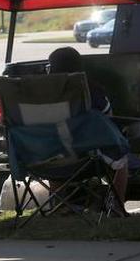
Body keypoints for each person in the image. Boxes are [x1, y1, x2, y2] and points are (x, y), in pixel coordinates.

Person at [45, 46, 129, 209]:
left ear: (51, 70)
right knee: (121, 158)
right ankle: (117, 206)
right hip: (86, 159)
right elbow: (107, 116)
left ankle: (58, 205)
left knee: (54, 148)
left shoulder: (39, 95)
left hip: (43, 158)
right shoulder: (90, 90)